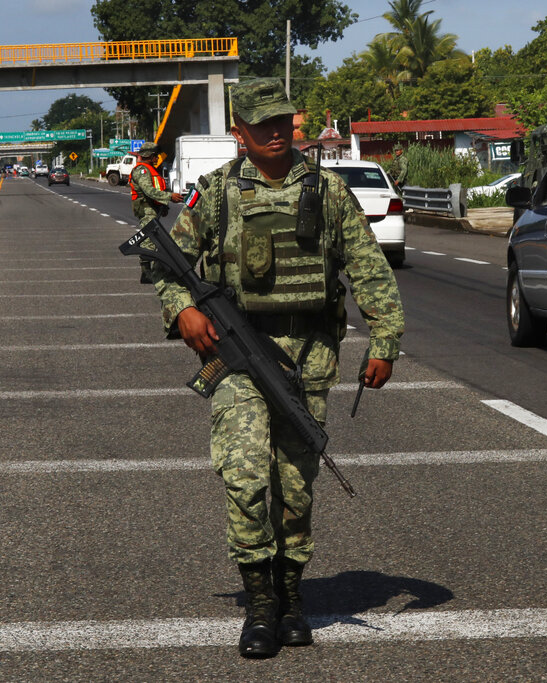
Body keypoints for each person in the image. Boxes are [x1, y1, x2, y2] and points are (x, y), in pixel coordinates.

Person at [151, 77, 404, 658]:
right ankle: (260, 607)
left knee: (295, 486)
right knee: (243, 477)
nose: (274, 132)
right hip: (236, 355)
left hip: (309, 355)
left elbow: (368, 269)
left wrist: (385, 340)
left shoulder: (330, 191)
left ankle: (292, 600)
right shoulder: (215, 194)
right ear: (239, 132)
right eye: (260, 123)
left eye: (282, 121)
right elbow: (168, 264)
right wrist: (182, 310)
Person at [130, 141, 182, 283]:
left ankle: (151, 272)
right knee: (148, 242)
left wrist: (163, 206)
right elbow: (149, 191)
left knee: (154, 239)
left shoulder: (151, 170)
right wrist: (169, 197)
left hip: (153, 209)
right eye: (156, 156)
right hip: (146, 210)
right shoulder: (142, 171)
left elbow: (157, 189)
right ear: (151, 156)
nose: (157, 158)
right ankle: (146, 273)